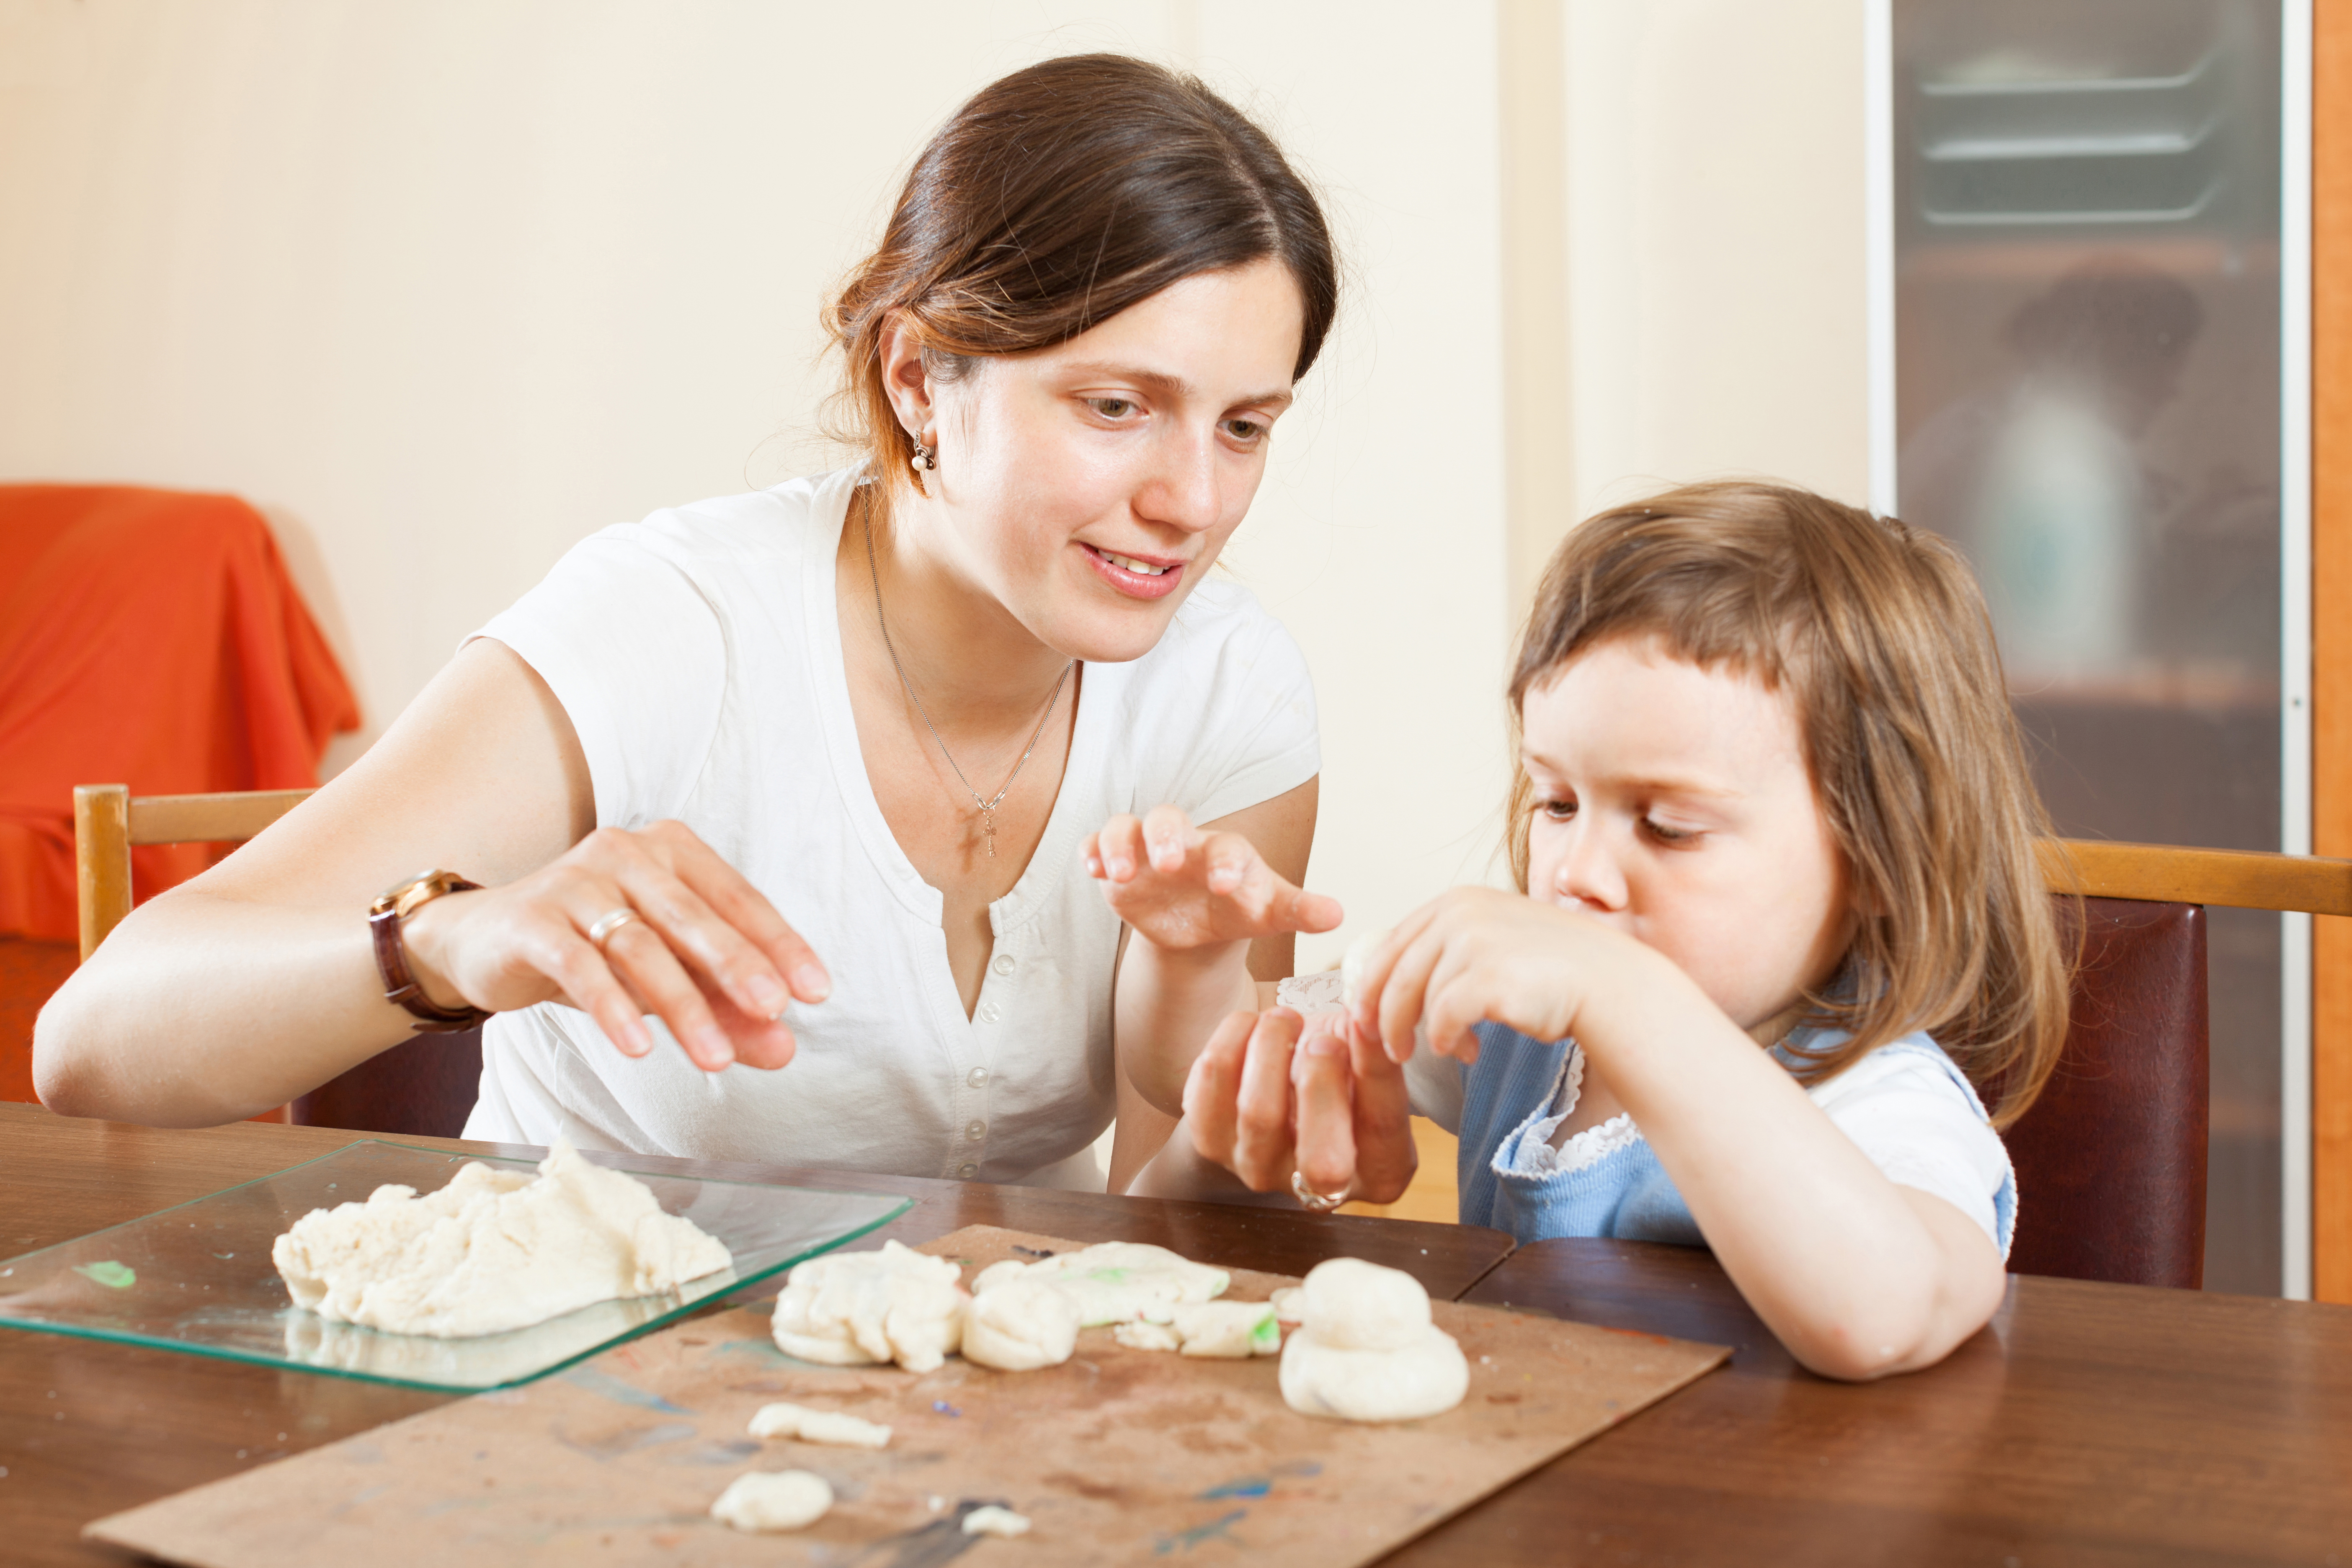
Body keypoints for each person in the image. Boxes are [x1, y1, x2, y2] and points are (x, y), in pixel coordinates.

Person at [33, 54, 1345, 1196]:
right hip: (570, 1385)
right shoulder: (672, 628)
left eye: (1243, 427)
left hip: (963, 1409)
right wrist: (448, 940)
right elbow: (93, 1046)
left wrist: (1259, 1097)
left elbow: (1165, 1230)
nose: (1193, 502)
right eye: (1116, 405)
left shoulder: (1228, 693)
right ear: (917, 376)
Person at [1130, 482, 2072, 1381]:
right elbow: (1196, 1066)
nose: (1577, 872)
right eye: (1558, 801)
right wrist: (1193, 956)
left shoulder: (1877, 1097)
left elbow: (1879, 1320)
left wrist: (1629, 999)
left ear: (1877, 856)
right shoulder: (1519, 1031)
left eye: (1668, 827)